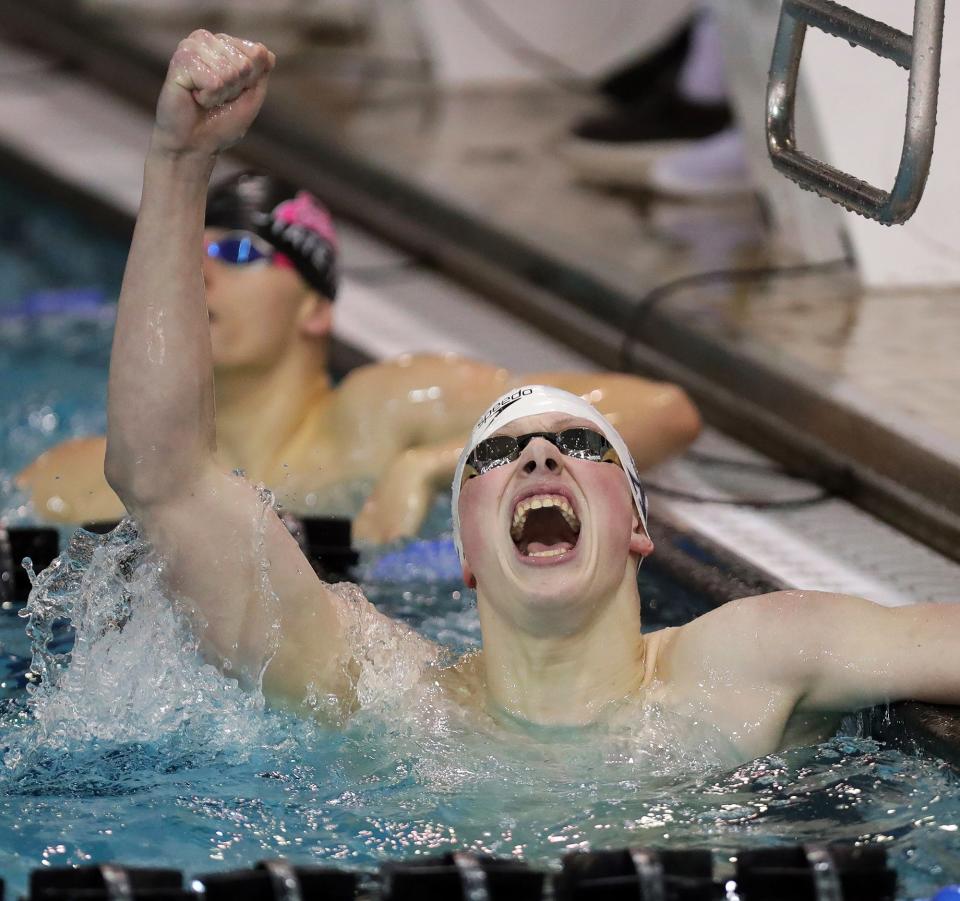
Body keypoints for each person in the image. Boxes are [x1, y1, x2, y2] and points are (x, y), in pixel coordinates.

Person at [105, 31, 959, 761]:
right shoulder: (394, 697)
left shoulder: (746, 662)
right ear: (466, 550)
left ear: (637, 528)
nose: (541, 454)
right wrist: (177, 164)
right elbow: (165, 478)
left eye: (581, 445)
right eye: (497, 455)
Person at [18, 152, 700, 548]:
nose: (200, 273)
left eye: (234, 251)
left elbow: (663, 411)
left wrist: (441, 465)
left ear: (316, 307)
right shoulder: (88, 475)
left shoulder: (389, 412)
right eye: (186, 257)